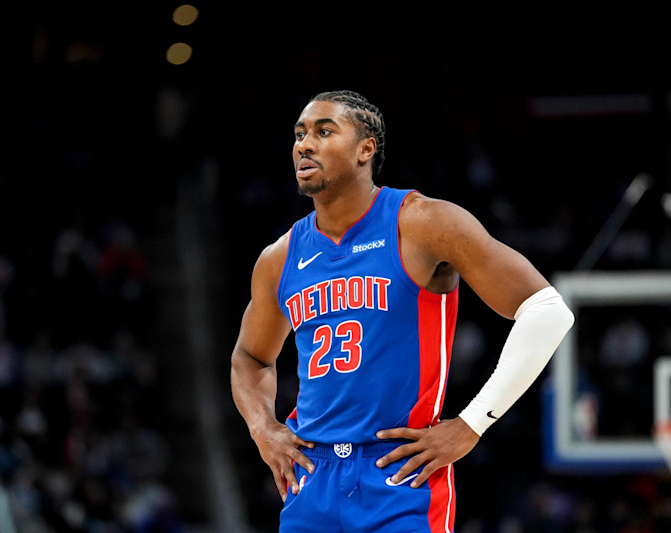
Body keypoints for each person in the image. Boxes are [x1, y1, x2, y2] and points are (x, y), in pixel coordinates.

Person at [230, 90, 576, 532]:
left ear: (365, 149)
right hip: (310, 478)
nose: (304, 144)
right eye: (299, 134)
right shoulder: (280, 257)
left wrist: (471, 424)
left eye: (323, 131)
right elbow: (249, 358)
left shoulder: (423, 222)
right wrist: (263, 428)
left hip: (399, 475)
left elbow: (547, 311)